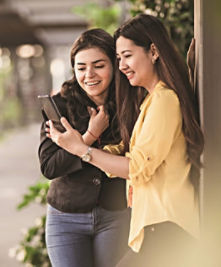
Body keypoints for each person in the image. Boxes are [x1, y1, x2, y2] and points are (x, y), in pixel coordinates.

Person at [46, 14, 204, 267]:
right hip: (155, 225)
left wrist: (83, 149)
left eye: (127, 56)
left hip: (165, 224)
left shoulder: (162, 100)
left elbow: (138, 167)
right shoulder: (149, 101)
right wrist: (91, 143)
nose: (122, 66)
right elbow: (133, 152)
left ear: (153, 52)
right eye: (119, 58)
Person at [38, 28, 131, 267]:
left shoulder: (131, 102)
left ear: (114, 64)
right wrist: (90, 136)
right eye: (81, 68)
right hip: (65, 217)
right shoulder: (59, 106)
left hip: (116, 214)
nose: (89, 74)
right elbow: (49, 166)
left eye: (98, 65)